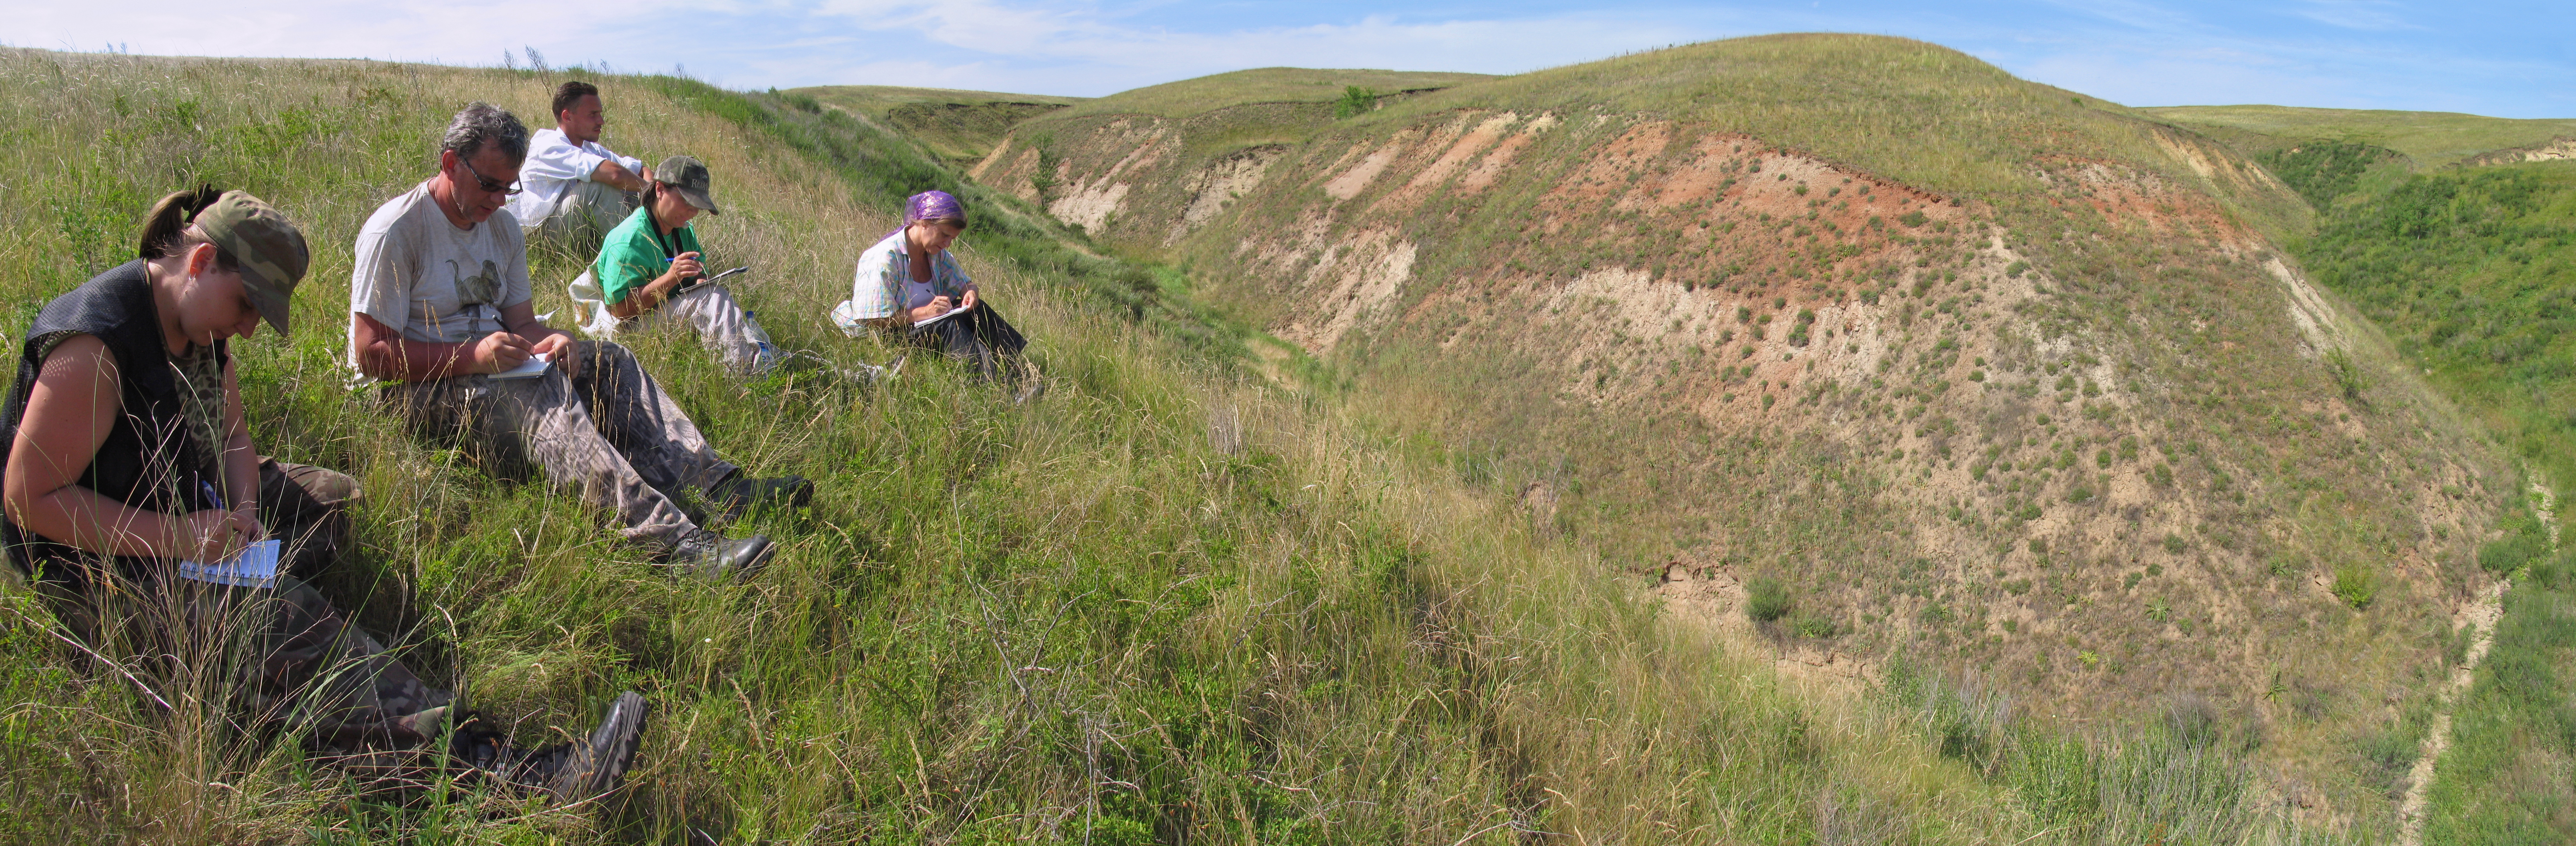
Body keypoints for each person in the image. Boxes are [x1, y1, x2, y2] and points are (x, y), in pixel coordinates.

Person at [1, 187, 645, 803]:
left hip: (180, 507)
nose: (248, 330)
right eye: (247, 305)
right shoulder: (95, 346)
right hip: (90, 565)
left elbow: (232, 438)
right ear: (200, 263)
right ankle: (498, 772)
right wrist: (181, 539)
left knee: (331, 503)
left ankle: (256, 654)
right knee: (277, 613)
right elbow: (29, 499)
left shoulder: (197, 323)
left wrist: (247, 512)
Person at [349, 103, 808, 577]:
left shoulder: (502, 228)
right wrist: (474, 356)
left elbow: (523, 323)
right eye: (489, 185)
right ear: (450, 164)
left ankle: (714, 486)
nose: (500, 201)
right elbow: (370, 354)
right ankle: (672, 546)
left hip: (492, 363)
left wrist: (559, 340)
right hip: (410, 390)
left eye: (510, 187)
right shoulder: (397, 230)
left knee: (611, 359)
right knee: (536, 390)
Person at [570, 155, 782, 376]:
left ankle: (763, 361)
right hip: (627, 330)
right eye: (687, 202)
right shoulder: (630, 239)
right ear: (660, 189)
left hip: (661, 315)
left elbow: (699, 276)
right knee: (713, 300)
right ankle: (746, 377)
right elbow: (620, 311)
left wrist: (701, 282)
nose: (693, 212)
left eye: (698, 206)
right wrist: (672, 278)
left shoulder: (683, 230)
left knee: (714, 296)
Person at [832, 190, 1032, 386]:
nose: (947, 244)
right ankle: (997, 388)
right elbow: (874, 321)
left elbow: (964, 282)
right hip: (897, 335)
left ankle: (1016, 370)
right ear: (924, 223)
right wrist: (925, 312)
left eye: (952, 239)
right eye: (944, 236)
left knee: (977, 311)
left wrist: (971, 292)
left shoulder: (936, 254)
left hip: (927, 327)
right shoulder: (884, 258)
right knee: (948, 325)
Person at [508, 81, 648, 249]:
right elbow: (615, 175)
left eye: (600, 114)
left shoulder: (588, 147)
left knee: (633, 188)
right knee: (600, 188)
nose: (601, 121)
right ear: (568, 117)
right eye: (593, 115)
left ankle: (653, 252)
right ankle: (628, 258)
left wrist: (655, 188)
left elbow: (640, 170)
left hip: (569, 228)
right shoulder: (548, 147)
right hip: (539, 238)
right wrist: (655, 193)